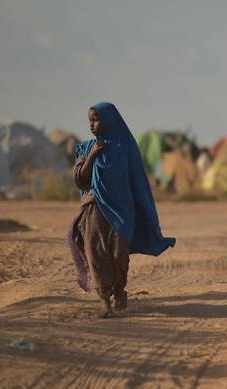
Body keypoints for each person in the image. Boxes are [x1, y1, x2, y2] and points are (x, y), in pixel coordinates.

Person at [68, 102, 176, 318]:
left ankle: (118, 290)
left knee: (119, 254)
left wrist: (144, 211)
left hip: (123, 211)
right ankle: (104, 300)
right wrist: (92, 156)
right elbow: (80, 180)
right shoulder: (87, 148)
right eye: (90, 121)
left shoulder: (126, 147)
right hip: (94, 208)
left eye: (96, 120)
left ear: (109, 121)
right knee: (96, 252)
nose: (92, 125)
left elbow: (137, 182)